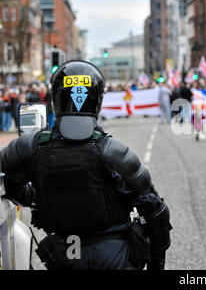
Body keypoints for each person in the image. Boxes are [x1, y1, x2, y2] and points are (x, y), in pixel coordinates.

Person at [0, 61, 172, 270]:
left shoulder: (32, 146)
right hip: (114, 255)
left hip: (65, 255)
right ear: (97, 100)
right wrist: (157, 264)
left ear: (56, 98)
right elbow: (156, 210)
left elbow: (12, 182)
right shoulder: (112, 151)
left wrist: (40, 199)